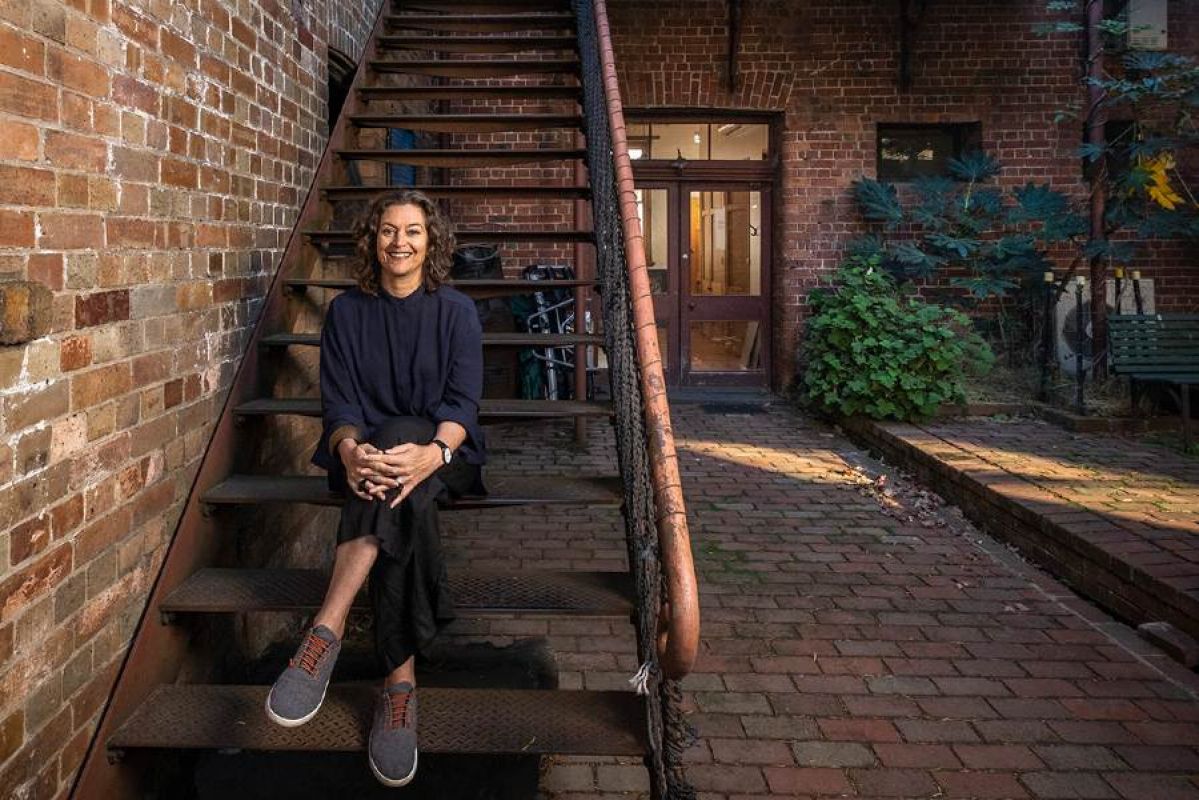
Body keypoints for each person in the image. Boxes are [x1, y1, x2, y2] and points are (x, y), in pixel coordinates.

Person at [264, 190, 486, 787]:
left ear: (431, 242)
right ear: (372, 240)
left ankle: (327, 629)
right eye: (388, 231)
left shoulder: (458, 311)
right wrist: (348, 450)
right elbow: (338, 404)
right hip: (368, 459)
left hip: (444, 449)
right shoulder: (346, 313)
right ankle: (400, 690)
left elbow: (462, 404)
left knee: (402, 454)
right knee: (395, 490)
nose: (400, 243)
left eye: (413, 232)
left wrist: (433, 454)